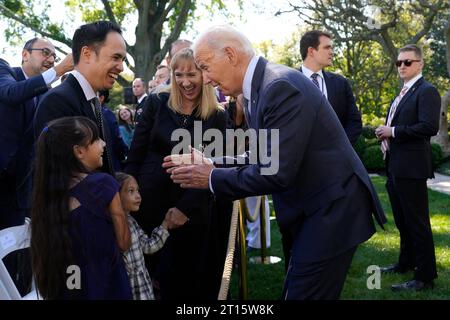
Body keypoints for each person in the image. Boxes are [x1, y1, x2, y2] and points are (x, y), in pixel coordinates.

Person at [164, 25, 387, 300]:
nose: (206, 79)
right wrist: (211, 162)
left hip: (331, 211)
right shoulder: (262, 87)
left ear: (231, 55)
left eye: (205, 67)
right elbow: (261, 156)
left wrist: (209, 177)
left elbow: (275, 172)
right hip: (317, 209)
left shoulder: (277, 86)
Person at [125, 47, 232, 300]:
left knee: (188, 281)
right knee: (148, 279)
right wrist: (127, 192)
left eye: (192, 74)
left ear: (204, 75)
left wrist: (185, 209)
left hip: (192, 211)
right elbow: (136, 152)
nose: (185, 82)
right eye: (179, 75)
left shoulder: (217, 115)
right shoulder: (156, 102)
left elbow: (215, 166)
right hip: (148, 206)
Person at [0, 38, 73, 295]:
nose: (51, 59)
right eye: (46, 53)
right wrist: (61, 69)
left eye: (54, 56)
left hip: (22, 192)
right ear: (25, 54)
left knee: (16, 259)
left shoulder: (46, 94)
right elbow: (11, 94)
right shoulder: (4, 71)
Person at [31, 116, 132, 300]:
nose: (102, 144)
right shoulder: (103, 185)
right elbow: (124, 243)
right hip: (109, 288)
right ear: (79, 151)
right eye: (96, 140)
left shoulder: (46, 198)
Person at [375, 44, 440, 291]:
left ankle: (425, 277)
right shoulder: (403, 92)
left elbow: (428, 127)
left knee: (417, 223)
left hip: (412, 168)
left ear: (420, 64)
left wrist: (393, 131)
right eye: (398, 63)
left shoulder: (427, 91)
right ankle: (406, 262)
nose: (402, 66)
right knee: (403, 221)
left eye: (407, 62)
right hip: (395, 165)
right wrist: (385, 134)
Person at [34, 20, 127, 175]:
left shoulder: (95, 105)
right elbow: (59, 179)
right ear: (87, 54)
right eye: (116, 57)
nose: (121, 67)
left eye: (123, 59)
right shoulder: (56, 102)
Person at [116, 172, 173, 300]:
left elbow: (148, 246)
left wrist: (165, 225)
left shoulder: (132, 222)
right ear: (116, 196)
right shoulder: (111, 228)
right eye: (131, 191)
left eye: (138, 191)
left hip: (143, 289)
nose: (138, 196)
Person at [299, 30, 362, 145]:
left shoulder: (341, 83)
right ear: (311, 51)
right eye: (327, 48)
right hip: (299, 159)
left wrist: (340, 148)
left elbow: (355, 121)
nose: (332, 52)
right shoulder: (287, 83)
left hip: (335, 159)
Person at [99, 90, 128, 170]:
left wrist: (122, 155)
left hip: (111, 162)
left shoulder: (106, 114)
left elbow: (116, 138)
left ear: (101, 98)